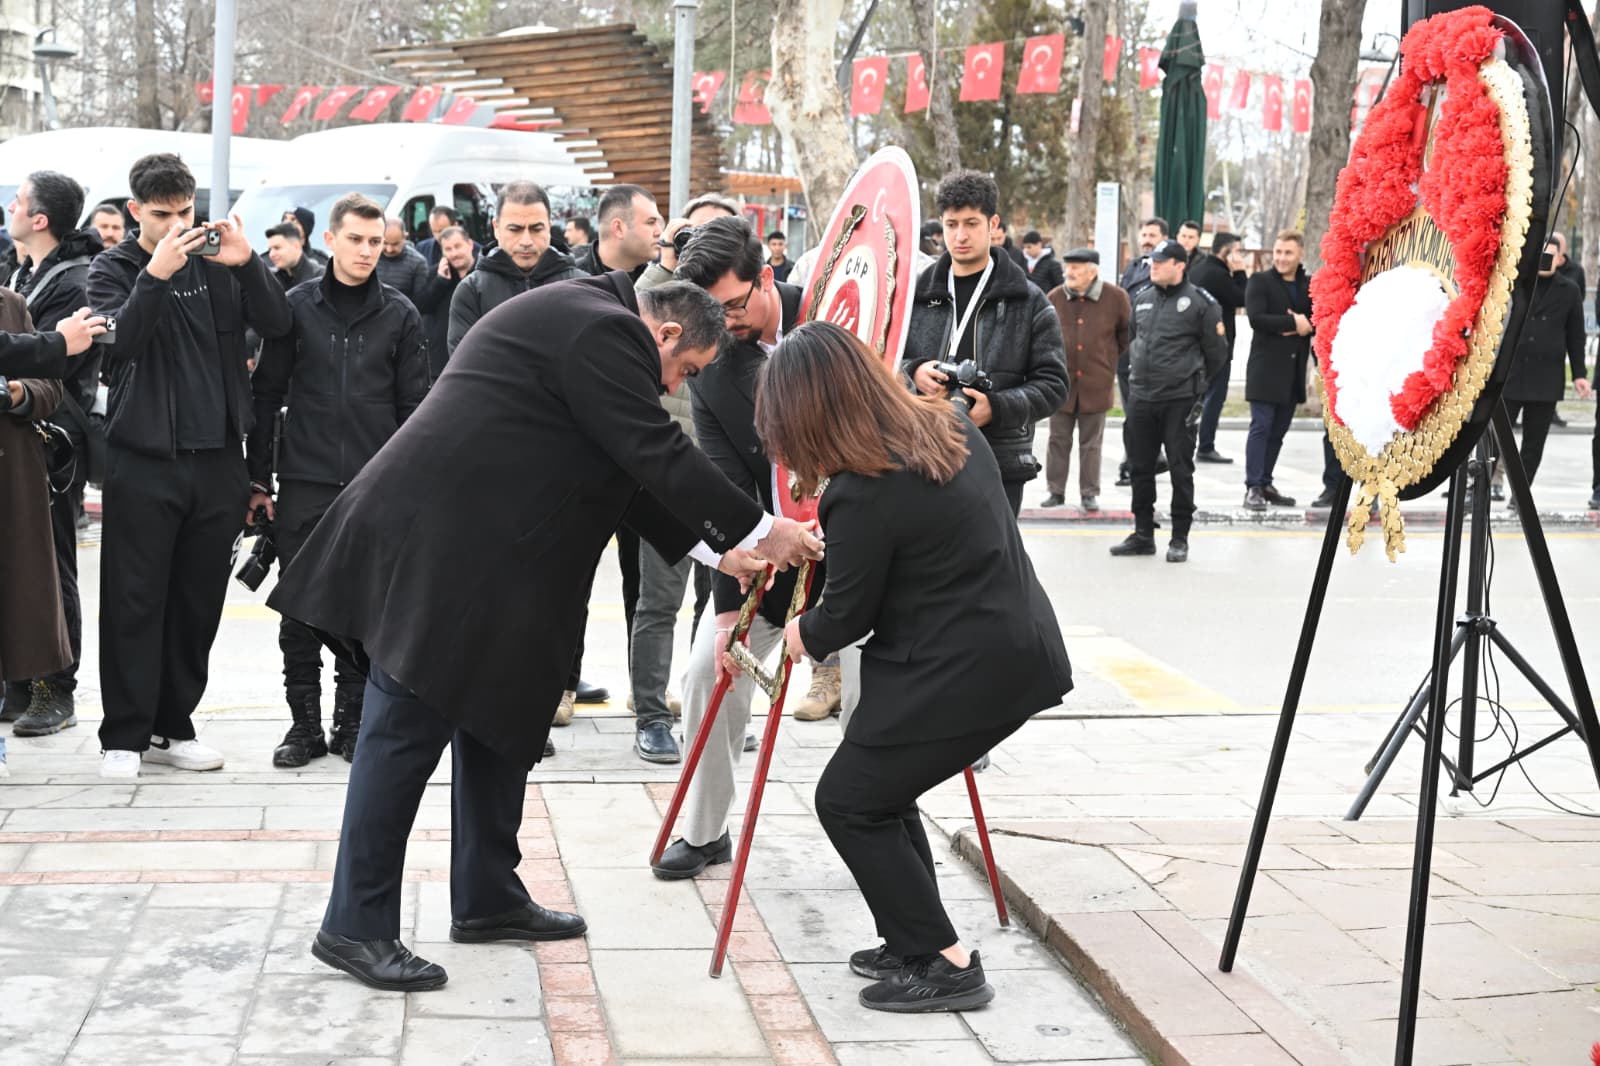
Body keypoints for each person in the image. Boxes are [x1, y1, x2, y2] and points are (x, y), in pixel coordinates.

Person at [267, 276, 823, 992]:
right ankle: (354, 925)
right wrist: (761, 527)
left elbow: (623, 472)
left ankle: (487, 895)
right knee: (402, 736)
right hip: (438, 554)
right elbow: (652, 449)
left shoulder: (589, 326)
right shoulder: (605, 330)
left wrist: (722, 551)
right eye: (685, 372)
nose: (676, 385)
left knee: (498, 719)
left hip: (490, 560)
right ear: (667, 335)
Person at [750, 320, 1071, 1012]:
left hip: (961, 670)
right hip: (1002, 650)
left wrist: (802, 633)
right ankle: (910, 939)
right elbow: (916, 539)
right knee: (877, 794)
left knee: (849, 801)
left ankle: (948, 963)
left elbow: (846, 618)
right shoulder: (945, 423)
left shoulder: (861, 490)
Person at [89, 152, 292, 778]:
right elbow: (119, 343)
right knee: (133, 600)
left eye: (185, 213)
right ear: (135, 212)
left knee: (199, 604)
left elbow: (280, 325)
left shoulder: (220, 264)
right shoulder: (112, 267)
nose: (177, 225)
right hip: (143, 460)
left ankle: (173, 727)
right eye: (162, 215)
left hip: (217, 462)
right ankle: (124, 735)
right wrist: (155, 272)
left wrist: (249, 264)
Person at [249, 192, 431, 769]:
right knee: (298, 610)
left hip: (374, 487)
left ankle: (351, 723)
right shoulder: (295, 306)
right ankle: (302, 726)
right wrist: (258, 481)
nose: (366, 251)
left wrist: (410, 490)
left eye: (375, 242)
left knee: (363, 609)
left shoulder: (401, 313)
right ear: (329, 240)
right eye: (355, 239)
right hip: (303, 480)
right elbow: (265, 394)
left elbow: (416, 410)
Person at [649, 216, 814, 853]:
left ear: (766, 277)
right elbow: (722, 488)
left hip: (859, 551)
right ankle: (705, 830)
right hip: (774, 554)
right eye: (709, 315)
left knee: (870, 680)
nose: (724, 325)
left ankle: (881, 830)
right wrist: (725, 610)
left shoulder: (836, 315)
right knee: (704, 674)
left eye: (733, 307)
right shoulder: (715, 366)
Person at [1, 171, 102, 738]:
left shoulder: (76, 281)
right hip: (18, 438)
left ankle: (55, 688)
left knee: (54, 564)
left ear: (39, 219)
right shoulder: (22, 273)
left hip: (53, 441)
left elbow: (67, 368)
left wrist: (20, 387)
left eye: (17, 201)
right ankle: (18, 682)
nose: (10, 208)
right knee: (20, 566)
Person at [904, 169, 1068, 516]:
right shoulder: (913, 295)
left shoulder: (1029, 300)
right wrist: (913, 372)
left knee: (993, 565)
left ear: (993, 224)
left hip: (999, 461)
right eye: (951, 224)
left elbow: (1054, 385)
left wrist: (997, 407)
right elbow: (878, 360)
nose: (960, 235)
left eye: (971, 223)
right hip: (919, 454)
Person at [1110, 238, 1226, 563]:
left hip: (1179, 400)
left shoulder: (1201, 303)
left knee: (1180, 468)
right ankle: (1143, 533)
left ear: (1180, 265)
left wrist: (1195, 388)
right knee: (1140, 467)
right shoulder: (1143, 299)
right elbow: (1133, 341)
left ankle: (1179, 537)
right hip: (1142, 397)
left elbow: (1217, 355)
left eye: (1161, 262)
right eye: (1152, 261)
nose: (1153, 266)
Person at [447, 181, 584, 357]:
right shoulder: (471, 292)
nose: (526, 240)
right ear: (496, 228)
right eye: (515, 229)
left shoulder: (582, 285)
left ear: (549, 227)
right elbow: (465, 370)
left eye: (536, 229)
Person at [1041, 249, 1129, 513]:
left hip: (1096, 383)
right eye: (1068, 267)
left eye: (1076, 268)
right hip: (1061, 384)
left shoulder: (1116, 298)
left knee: (1091, 444)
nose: (1070, 272)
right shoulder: (1055, 297)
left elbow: (1125, 337)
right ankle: (1055, 491)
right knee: (1058, 440)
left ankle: (1089, 493)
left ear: (1093, 271)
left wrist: (1106, 361)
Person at [1498, 238, 1588, 496]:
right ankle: (1483, 486)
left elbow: (1576, 335)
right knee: (1496, 439)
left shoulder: (1569, 291)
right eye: (1541, 254)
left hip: (1546, 379)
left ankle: (1521, 495)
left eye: (1551, 256)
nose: (1545, 260)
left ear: (1560, 259)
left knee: (1533, 444)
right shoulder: (1516, 284)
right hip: (1513, 375)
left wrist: (1580, 374)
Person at [1242, 231, 1314, 511]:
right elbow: (1257, 319)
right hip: (1265, 370)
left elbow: (1318, 318)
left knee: (1278, 431)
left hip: (1293, 371)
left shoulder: (1308, 285)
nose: (1282, 258)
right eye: (1279, 252)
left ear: (1300, 255)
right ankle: (1253, 486)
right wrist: (1293, 322)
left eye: (1288, 253)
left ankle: (1266, 481)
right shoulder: (1259, 282)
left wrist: (1304, 323)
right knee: (1261, 427)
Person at [1115, 217, 1168, 487]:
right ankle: (1137, 460)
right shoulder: (1133, 267)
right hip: (1127, 352)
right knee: (1131, 411)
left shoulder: (1167, 271)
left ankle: (1137, 461)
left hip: (1152, 353)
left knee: (1142, 412)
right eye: (1144, 234)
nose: (1146, 239)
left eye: (1152, 235)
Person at [1187, 232, 1248, 464]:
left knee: (1196, 396)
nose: (1239, 256)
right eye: (1237, 251)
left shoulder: (1198, 269)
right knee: (1215, 396)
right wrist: (1241, 272)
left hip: (1195, 345)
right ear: (1226, 252)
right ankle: (1206, 445)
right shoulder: (1219, 275)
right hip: (1218, 347)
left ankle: (1189, 440)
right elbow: (1244, 297)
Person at [413, 224, 475, 380]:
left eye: (457, 246)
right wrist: (440, 282)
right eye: (448, 249)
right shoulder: (436, 273)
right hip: (441, 360)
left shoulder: (483, 273)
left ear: (470, 244)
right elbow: (421, 306)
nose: (454, 254)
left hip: (476, 351)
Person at [376, 219, 430, 306]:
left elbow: (420, 303)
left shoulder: (418, 263)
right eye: (385, 243)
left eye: (395, 244)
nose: (389, 249)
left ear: (405, 237)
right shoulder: (371, 257)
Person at [265, 222, 322, 290]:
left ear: (296, 246)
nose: (271, 254)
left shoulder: (321, 278)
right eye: (270, 250)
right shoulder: (270, 280)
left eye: (277, 248)